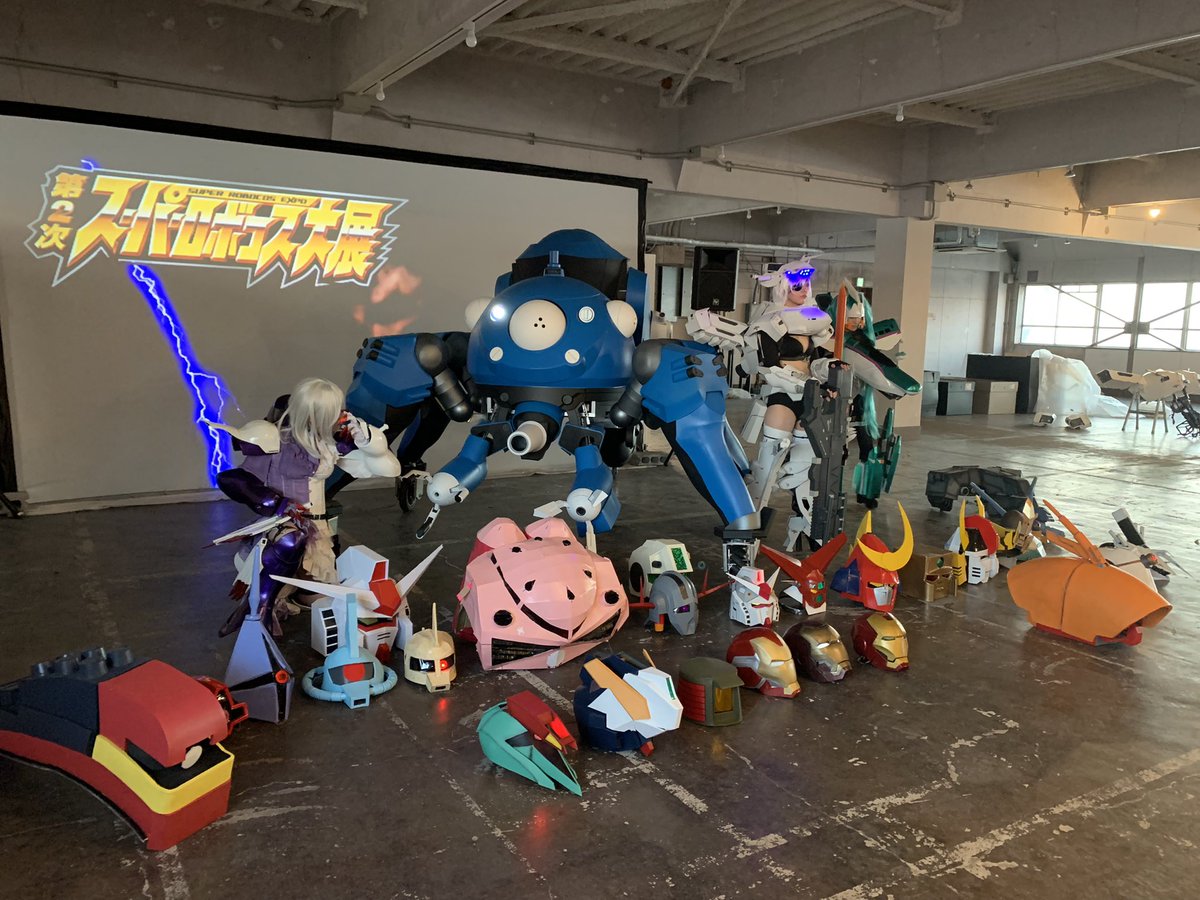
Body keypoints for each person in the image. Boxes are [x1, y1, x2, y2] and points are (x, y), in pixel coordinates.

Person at [215, 377, 375, 635]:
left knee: (322, 597)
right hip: (285, 524)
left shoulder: (329, 441)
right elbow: (232, 479)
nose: (339, 416)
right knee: (292, 541)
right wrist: (275, 502)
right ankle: (260, 606)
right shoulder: (277, 442)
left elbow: (375, 461)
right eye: (332, 411)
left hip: (319, 528)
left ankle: (289, 595)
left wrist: (369, 442)